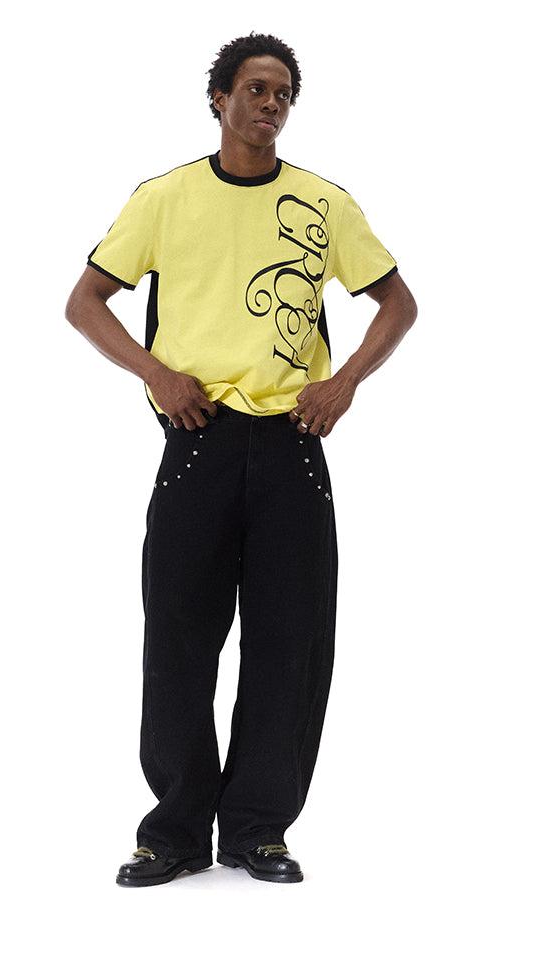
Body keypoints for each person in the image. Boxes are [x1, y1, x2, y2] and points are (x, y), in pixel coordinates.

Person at [65, 32, 417, 887]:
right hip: (198, 442)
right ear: (219, 98)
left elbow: (398, 304)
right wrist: (155, 372)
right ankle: (175, 833)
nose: (271, 103)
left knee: (290, 643)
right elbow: (86, 302)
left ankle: (260, 830)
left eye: (283, 92)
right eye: (256, 88)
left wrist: (344, 383)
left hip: (294, 444)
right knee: (179, 640)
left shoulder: (323, 204)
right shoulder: (165, 198)